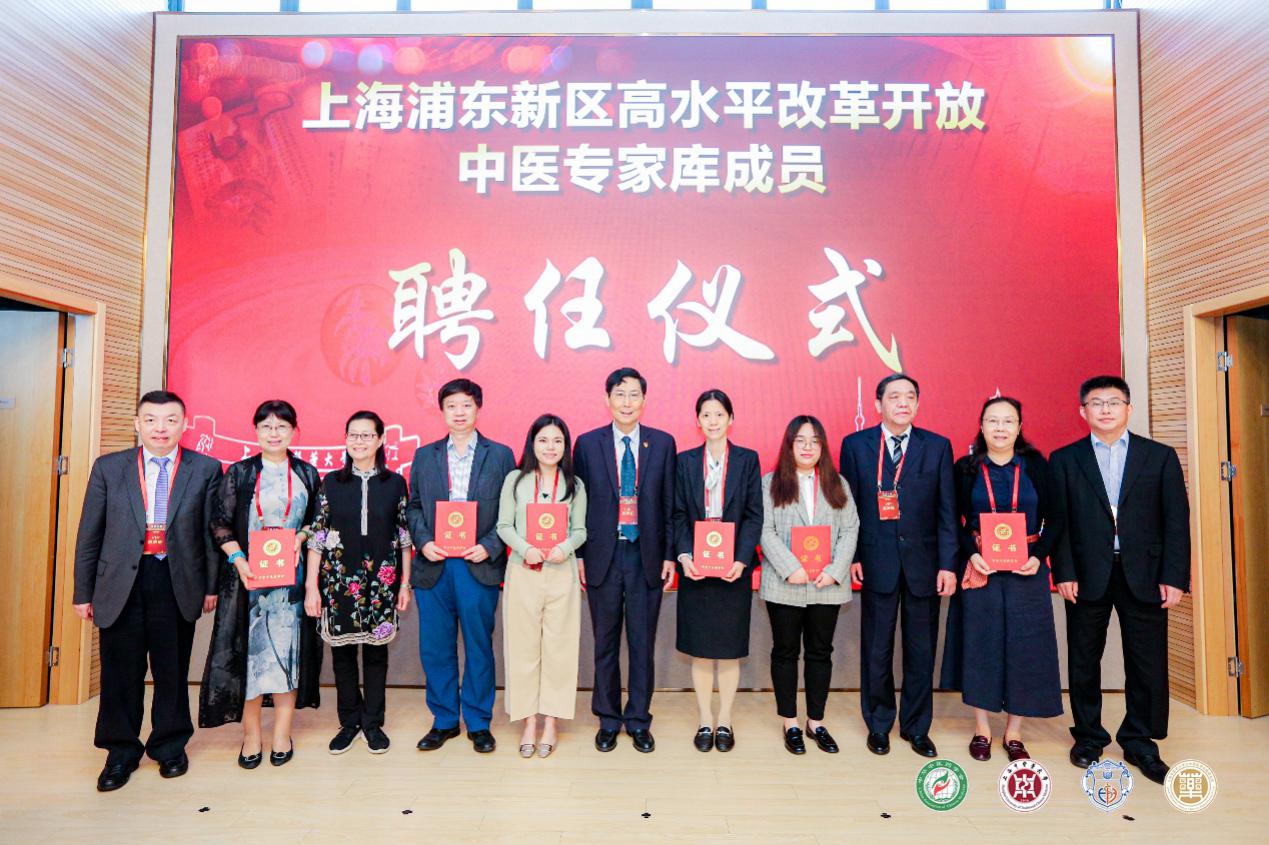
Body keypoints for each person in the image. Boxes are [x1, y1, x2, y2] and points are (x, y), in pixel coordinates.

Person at [73, 390, 223, 792]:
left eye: (170, 420)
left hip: (176, 580)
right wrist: (83, 592)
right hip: (120, 582)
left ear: (184, 425)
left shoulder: (205, 469)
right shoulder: (109, 468)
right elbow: (89, 534)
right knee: (120, 672)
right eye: (152, 420)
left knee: (172, 669)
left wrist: (211, 586)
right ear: (137, 424)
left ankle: (170, 746)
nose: (161, 428)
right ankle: (120, 752)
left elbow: (211, 535)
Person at [1048, 375, 1190, 785]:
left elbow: (1176, 521)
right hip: (1086, 574)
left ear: (1129, 409)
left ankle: (1139, 740)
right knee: (1083, 660)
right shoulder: (1065, 459)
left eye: (1114, 402)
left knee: (1147, 661)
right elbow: (1059, 523)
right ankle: (1088, 736)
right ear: (1083, 411)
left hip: (1145, 574)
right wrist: (1064, 571)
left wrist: (1174, 577)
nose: (1105, 409)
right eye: (1097, 402)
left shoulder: (1159, 456)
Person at [198, 400, 323, 768]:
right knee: (247, 659)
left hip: (290, 587)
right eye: (266, 426)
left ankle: (282, 733)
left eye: (281, 427)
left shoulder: (307, 473)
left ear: (294, 431)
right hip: (248, 582)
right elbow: (219, 522)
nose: (274, 433)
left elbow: (318, 519)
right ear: (256, 431)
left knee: (288, 658)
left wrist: (300, 537)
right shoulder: (239, 472)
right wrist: (238, 560)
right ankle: (251, 735)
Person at [839, 373, 957, 758]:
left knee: (921, 650)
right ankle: (878, 724)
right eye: (894, 397)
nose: (903, 403)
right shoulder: (855, 445)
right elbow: (847, 509)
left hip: (925, 564)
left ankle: (916, 727)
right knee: (877, 648)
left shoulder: (937, 446)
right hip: (876, 561)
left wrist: (948, 564)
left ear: (918, 404)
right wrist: (854, 556)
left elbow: (947, 511)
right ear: (878, 404)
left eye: (910, 397)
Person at [938, 396, 1062, 763]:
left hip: (1027, 570)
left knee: (1025, 647)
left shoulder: (1037, 465)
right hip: (982, 569)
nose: (1001, 428)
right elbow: (954, 520)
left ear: (1020, 427)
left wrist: (1039, 557)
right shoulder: (966, 468)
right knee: (981, 645)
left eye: (1008, 421)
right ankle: (982, 729)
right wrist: (971, 553)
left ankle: (1014, 732)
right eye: (993, 421)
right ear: (981, 426)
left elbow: (1057, 518)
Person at [406, 379, 516, 754]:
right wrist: (424, 541)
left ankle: (479, 722)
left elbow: (511, 510)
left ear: (477, 409)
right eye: (451, 405)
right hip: (434, 565)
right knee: (436, 648)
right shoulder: (425, 456)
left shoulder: (500, 455)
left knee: (479, 646)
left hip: (477, 565)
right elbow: (414, 507)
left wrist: (490, 546)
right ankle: (444, 720)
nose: (459, 412)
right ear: (441, 411)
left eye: (466, 405)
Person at [573, 367, 677, 753]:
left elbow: (670, 504)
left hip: (646, 555)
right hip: (602, 554)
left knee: (641, 642)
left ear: (644, 400)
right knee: (604, 641)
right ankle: (607, 718)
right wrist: (579, 555)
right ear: (607, 400)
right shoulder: (587, 444)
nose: (627, 402)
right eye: (620, 394)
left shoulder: (662, 443)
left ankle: (637, 719)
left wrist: (669, 555)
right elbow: (577, 504)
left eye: (634, 394)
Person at [304, 411, 412, 755]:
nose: (359, 441)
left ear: (380, 440)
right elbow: (317, 536)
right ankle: (349, 722)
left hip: (382, 583)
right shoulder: (332, 483)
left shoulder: (395, 483)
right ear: (346, 439)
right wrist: (311, 586)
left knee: (377, 654)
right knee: (343, 655)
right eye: (353, 435)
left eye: (367, 435)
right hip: (338, 582)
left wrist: (405, 583)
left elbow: (404, 538)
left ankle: (373, 723)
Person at [760, 416, 859, 755]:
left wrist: (835, 570)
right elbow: (764, 529)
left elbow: (851, 529)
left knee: (820, 652)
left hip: (826, 584)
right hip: (784, 583)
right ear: (789, 445)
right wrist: (790, 568)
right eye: (800, 440)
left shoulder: (837, 483)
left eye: (814, 441)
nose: (807, 447)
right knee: (785, 651)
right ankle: (789, 722)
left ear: (822, 447)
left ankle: (815, 722)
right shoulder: (771, 483)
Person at [671, 389, 762, 753]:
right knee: (700, 649)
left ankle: (724, 719)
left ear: (731, 419)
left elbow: (754, 514)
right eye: (706, 415)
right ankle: (704, 720)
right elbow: (677, 513)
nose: (713, 421)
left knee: (728, 649)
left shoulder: (747, 460)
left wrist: (741, 559)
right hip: (696, 568)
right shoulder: (685, 461)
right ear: (698, 421)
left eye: (719, 414)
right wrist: (684, 556)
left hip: (732, 570)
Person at [496, 414, 588, 758]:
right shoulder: (515, 480)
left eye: (557, 441)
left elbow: (580, 531)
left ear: (566, 446)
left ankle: (551, 721)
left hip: (561, 572)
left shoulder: (575, 484)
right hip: (523, 570)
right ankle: (528, 722)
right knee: (522, 648)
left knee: (559, 649)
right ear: (532, 443)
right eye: (543, 440)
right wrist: (525, 548)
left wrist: (564, 548)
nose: (550, 447)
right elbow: (504, 525)